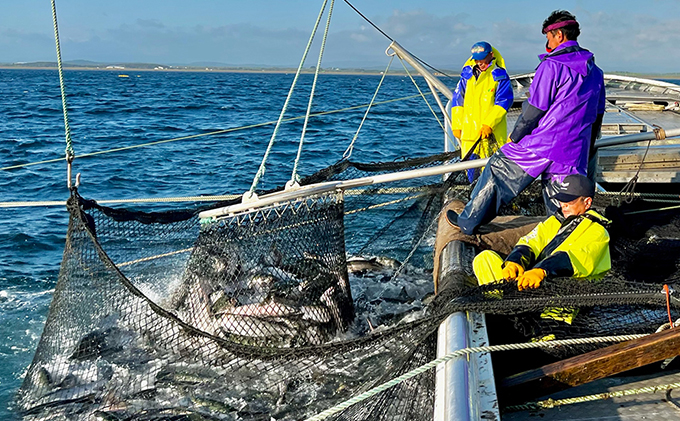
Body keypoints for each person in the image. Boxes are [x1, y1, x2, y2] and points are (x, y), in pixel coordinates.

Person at [448, 10, 606, 234]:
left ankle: (468, 222)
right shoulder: (596, 72)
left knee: (497, 170)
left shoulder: (551, 66)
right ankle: (567, 242)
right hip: (573, 150)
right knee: (564, 201)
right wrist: (586, 148)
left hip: (542, 143)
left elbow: (534, 110)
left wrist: (515, 137)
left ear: (559, 35)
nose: (547, 42)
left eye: (548, 37)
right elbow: (598, 114)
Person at [472, 174, 610, 323]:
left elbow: (576, 259)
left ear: (587, 202)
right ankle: (502, 308)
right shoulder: (554, 222)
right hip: (534, 284)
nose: (563, 206)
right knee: (484, 258)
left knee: (557, 312)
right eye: (561, 200)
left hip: (567, 292)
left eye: (569, 202)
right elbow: (531, 241)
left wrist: (542, 270)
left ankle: (545, 335)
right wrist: (515, 260)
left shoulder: (598, 233)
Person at [451, 41, 514, 182]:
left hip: (491, 136)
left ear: (491, 55)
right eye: (477, 60)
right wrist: (457, 124)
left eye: (483, 59)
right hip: (469, 136)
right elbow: (457, 100)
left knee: (492, 175)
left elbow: (504, 102)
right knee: (470, 174)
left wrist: (489, 124)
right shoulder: (466, 75)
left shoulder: (500, 76)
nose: (480, 63)